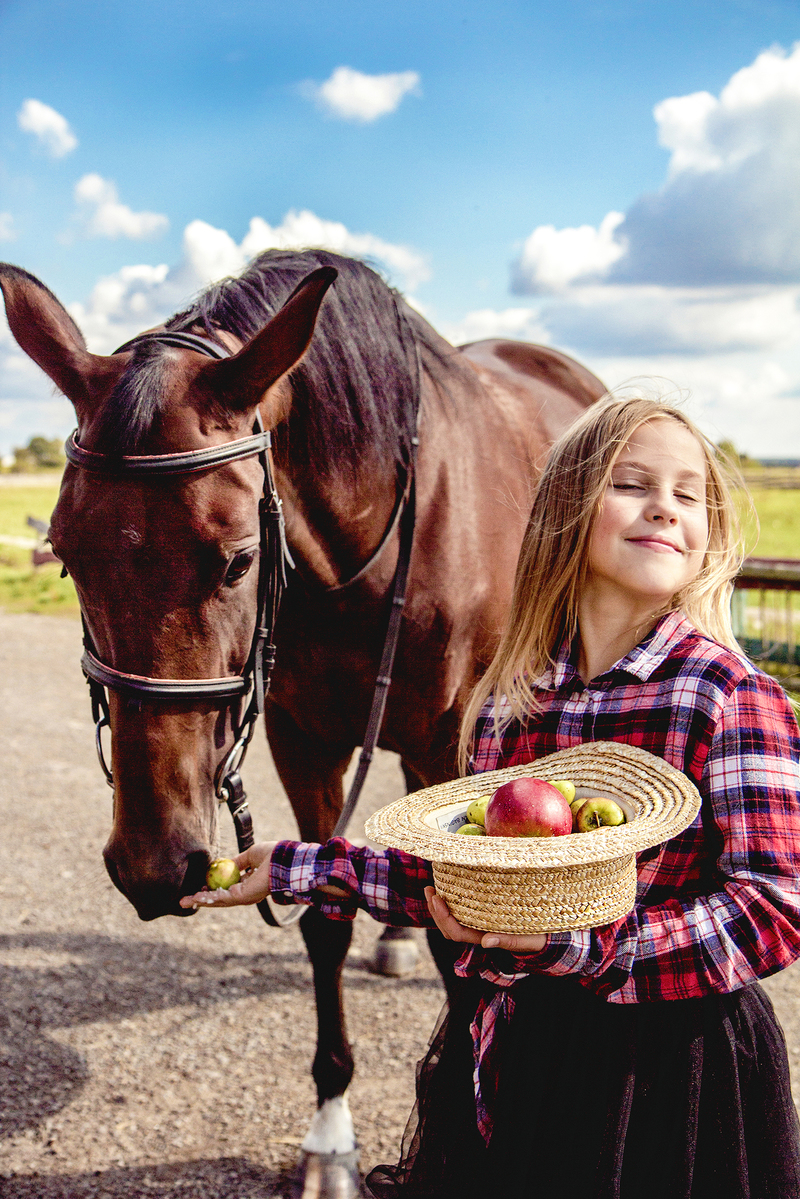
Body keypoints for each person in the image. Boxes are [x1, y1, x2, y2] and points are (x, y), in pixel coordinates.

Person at [181, 392, 800, 1198]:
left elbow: (774, 906)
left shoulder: (725, 695)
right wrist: (294, 867)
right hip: (525, 1053)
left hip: (669, 1074)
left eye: (689, 494)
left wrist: (587, 946)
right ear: (566, 510)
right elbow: (463, 876)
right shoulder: (512, 703)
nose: (665, 508)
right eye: (633, 483)